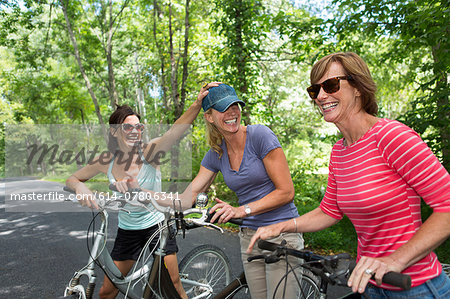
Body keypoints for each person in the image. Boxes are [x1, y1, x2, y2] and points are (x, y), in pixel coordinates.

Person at [247, 52, 450, 298]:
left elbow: (446, 207)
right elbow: (329, 211)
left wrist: (394, 260)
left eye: (331, 85)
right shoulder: (339, 151)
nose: (321, 96)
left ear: (357, 88)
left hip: (415, 286)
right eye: (315, 90)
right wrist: (280, 227)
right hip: (369, 285)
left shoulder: (392, 137)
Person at [66, 82, 221, 299]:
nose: (135, 132)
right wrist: (81, 187)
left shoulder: (150, 152)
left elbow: (174, 132)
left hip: (157, 226)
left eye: (138, 127)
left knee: (172, 286)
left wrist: (197, 103)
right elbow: (73, 178)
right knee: (107, 292)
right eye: (127, 127)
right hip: (128, 230)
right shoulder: (106, 160)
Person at [189, 83, 304, 298]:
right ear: (209, 117)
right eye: (224, 108)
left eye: (235, 105)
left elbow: (286, 192)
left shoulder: (259, 135)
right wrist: (145, 197)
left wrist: (242, 210)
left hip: (281, 235)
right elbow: (190, 194)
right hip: (250, 240)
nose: (232, 112)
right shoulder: (216, 152)